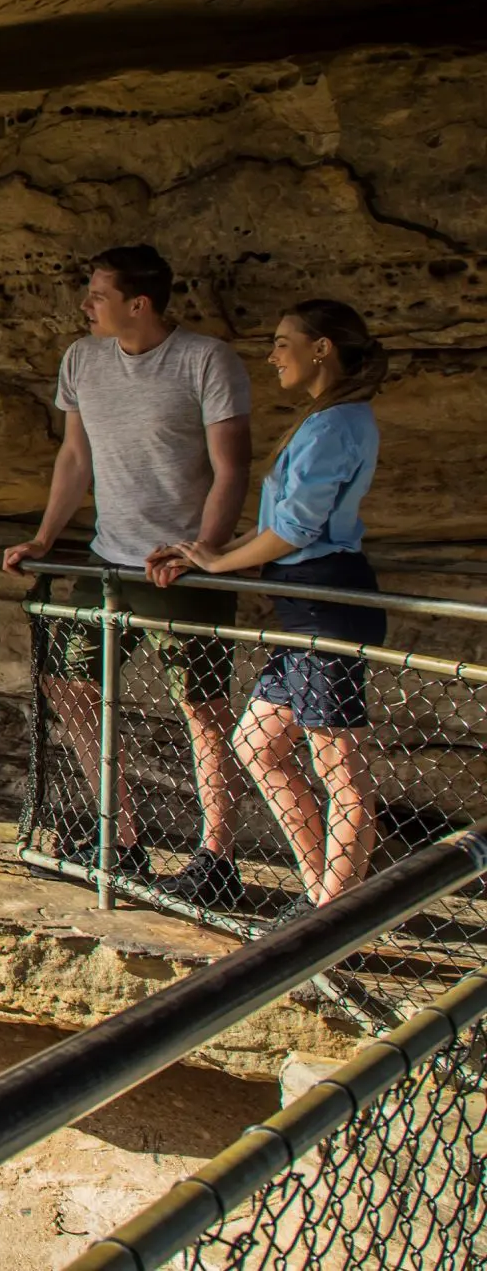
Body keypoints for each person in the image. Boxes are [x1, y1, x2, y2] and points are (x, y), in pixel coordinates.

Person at [1, 246, 253, 903]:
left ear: (138, 304)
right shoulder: (82, 360)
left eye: (99, 295)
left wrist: (203, 550)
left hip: (183, 568)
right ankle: (122, 837)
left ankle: (217, 859)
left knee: (202, 708)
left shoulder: (206, 360)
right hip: (109, 559)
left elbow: (232, 467)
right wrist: (45, 536)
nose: (86, 306)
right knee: (68, 683)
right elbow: (75, 456)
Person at [153, 301, 388, 907]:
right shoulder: (328, 418)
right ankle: (322, 898)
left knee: (340, 768)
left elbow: (295, 529)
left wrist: (217, 562)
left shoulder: (336, 424)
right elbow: (279, 526)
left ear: (322, 348)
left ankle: (333, 919)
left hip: (325, 606)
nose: (272, 355)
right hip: (303, 609)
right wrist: (210, 553)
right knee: (257, 745)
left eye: (284, 342)